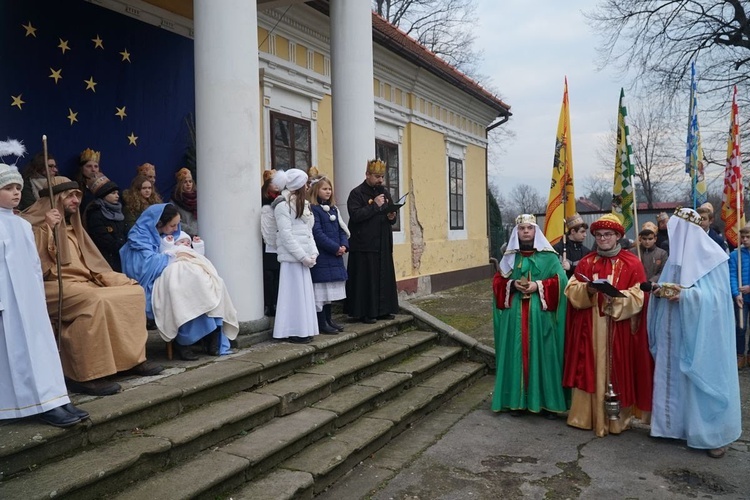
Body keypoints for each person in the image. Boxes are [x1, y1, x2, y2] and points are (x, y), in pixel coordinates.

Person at [21, 176, 163, 396]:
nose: (76, 201)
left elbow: (92, 265)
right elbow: (34, 266)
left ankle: (132, 359)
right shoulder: (28, 226)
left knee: (133, 291)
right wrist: (47, 228)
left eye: (78, 196)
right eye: (70, 196)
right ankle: (86, 375)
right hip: (48, 286)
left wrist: (112, 279)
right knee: (92, 300)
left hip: (84, 283)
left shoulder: (73, 228)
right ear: (55, 199)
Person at [0, 157, 89, 427]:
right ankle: (26, 404)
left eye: (18, 187)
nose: (16, 192)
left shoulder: (22, 224)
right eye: (8, 188)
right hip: (7, 301)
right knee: (14, 352)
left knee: (39, 347)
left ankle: (54, 398)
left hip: (27, 299)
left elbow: (34, 264)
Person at [648, 208, 741, 459]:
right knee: (676, 377)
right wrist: (659, 291)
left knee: (700, 382)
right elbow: (669, 286)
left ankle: (713, 434)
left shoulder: (714, 258)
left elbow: (718, 302)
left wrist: (687, 296)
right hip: (674, 332)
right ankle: (674, 427)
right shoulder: (674, 261)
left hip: (702, 336)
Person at [563, 213, 653, 437]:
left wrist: (617, 301)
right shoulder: (586, 261)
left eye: (608, 234)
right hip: (590, 329)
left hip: (618, 329)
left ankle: (615, 420)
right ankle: (585, 417)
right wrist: (588, 290)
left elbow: (640, 295)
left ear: (618, 236)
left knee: (617, 370)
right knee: (588, 368)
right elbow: (572, 289)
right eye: (599, 235)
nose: (603, 238)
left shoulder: (633, 263)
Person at [120, 203, 238, 360]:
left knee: (211, 282)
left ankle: (212, 335)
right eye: (172, 225)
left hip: (177, 269)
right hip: (152, 280)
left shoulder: (172, 234)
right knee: (180, 288)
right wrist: (175, 256)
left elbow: (181, 247)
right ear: (159, 223)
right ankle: (183, 341)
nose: (176, 230)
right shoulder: (139, 238)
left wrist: (184, 252)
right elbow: (143, 267)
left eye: (177, 225)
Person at [491, 214, 568, 416]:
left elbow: (562, 282)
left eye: (529, 228)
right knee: (516, 355)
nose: (525, 231)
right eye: (522, 228)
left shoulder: (549, 256)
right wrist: (512, 284)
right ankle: (516, 401)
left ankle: (546, 401)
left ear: (536, 231)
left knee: (544, 355)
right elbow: (497, 283)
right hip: (515, 316)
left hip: (541, 316)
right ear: (516, 232)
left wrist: (539, 285)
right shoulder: (510, 257)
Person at [345, 159, 399, 324]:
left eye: (382, 176)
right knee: (366, 280)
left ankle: (383, 309)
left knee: (383, 277)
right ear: (367, 175)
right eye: (377, 176)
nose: (381, 180)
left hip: (382, 242)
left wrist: (392, 217)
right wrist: (375, 206)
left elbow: (389, 215)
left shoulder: (384, 192)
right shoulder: (357, 193)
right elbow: (356, 216)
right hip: (364, 244)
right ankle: (365, 312)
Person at [272, 169, 319, 344]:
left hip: (304, 259)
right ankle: (291, 329)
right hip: (292, 260)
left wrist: (313, 252)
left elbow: (308, 232)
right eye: (305, 183)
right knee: (292, 295)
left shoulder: (304, 205)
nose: (308, 187)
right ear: (298, 186)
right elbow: (286, 235)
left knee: (304, 295)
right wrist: (302, 256)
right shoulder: (282, 206)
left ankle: (304, 328)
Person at [309, 175, 349, 334]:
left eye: (329, 189)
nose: (328, 191)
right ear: (315, 190)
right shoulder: (314, 210)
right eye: (324, 189)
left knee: (329, 292)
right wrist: (335, 248)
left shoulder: (333, 209)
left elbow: (341, 229)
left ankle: (329, 319)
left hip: (335, 255)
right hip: (323, 256)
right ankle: (321, 322)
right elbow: (317, 233)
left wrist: (344, 245)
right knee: (321, 291)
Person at [84, 174, 126, 272]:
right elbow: (102, 239)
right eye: (113, 193)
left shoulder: (120, 211)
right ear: (104, 194)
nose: (117, 196)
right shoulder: (95, 213)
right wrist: (122, 246)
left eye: (117, 193)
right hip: (105, 259)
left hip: (121, 256)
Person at [729, 224, 750, 370]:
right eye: (742, 237)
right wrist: (736, 294)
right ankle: (740, 355)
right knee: (741, 327)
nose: (745, 240)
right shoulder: (735, 255)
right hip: (741, 299)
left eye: (748, 237)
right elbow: (732, 275)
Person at [261, 169, 281, 317]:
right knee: (268, 275)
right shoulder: (261, 201)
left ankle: (276, 302)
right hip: (266, 242)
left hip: (279, 241)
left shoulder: (282, 200)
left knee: (278, 274)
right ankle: (268, 304)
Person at [553, 213, 590, 278]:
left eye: (585, 232)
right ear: (572, 231)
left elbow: (587, 271)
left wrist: (571, 268)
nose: (585, 235)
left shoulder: (586, 252)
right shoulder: (557, 249)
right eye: (582, 232)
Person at [171, 168, 198, 237]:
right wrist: (192, 231)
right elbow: (175, 221)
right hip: (184, 236)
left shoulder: (200, 198)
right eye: (185, 182)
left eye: (190, 181)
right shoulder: (175, 200)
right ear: (180, 184)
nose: (188, 184)